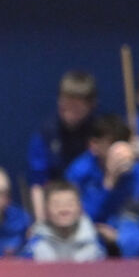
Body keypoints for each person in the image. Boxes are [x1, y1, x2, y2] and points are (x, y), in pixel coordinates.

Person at [27, 70, 98, 220]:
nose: (70, 112)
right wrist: (41, 223)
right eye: (65, 105)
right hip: (56, 208)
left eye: (77, 107)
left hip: (92, 206)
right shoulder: (46, 134)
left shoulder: (100, 132)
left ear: (91, 105)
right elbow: (38, 185)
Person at [25, 180, 106, 262]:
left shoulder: (94, 246)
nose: (64, 210)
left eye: (70, 204)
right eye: (56, 205)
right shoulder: (35, 247)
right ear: (46, 210)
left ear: (80, 208)